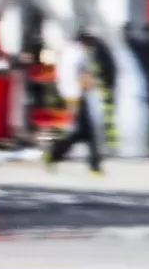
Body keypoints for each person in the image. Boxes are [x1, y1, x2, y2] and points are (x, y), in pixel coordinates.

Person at [46, 33, 110, 174]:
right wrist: (92, 85)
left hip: (70, 94)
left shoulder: (69, 51)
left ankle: (55, 155)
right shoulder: (79, 54)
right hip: (78, 96)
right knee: (89, 131)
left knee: (82, 132)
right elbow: (82, 75)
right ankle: (94, 166)